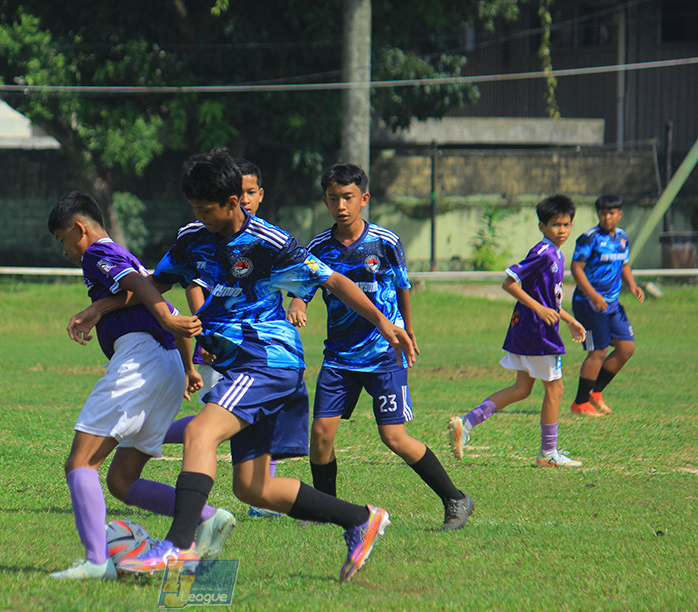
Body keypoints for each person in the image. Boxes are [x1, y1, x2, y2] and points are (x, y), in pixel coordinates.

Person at [111, 148, 416, 582]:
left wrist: (384, 322)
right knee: (254, 488)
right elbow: (154, 283)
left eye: (206, 209)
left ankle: (178, 547)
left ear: (233, 202)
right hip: (241, 365)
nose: (199, 217)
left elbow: (333, 280)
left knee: (200, 432)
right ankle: (360, 519)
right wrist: (98, 308)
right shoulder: (193, 237)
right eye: (194, 208)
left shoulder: (270, 242)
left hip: (267, 360)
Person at [47, 191, 236, 581]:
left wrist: (164, 318)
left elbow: (142, 289)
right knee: (122, 480)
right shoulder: (124, 256)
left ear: (79, 229)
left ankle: (96, 562)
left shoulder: (98, 252)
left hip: (140, 361)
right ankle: (207, 517)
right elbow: (149, 292)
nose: (64, 251)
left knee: (81, 462)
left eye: (63, 240)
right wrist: (187, 366)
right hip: (167, 364)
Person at [287, 163, 473, 530]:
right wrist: (297, 304)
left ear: (364, 199)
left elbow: (402, 287)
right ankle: (327, 509)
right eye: (334, 198)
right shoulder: (319, 247)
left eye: (348, 197)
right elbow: (303, 287)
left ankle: (456, 499)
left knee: (394, 437)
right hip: (339, 356)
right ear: (325, 201)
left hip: (383, 353)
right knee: (321, 436)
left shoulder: (385, 241)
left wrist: (408, 331)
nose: (341, 205)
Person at [162, 157, 281, 518]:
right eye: (239, 192)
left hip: (260, 350)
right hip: (218, 344)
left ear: (260, 195)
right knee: (218, 420)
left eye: (250, 192)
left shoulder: (267, 240)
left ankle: (259, 495)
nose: (245, 199)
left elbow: (305, 281)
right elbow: (191, 284)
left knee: (249, 417)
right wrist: (206, 332)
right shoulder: (202, 239)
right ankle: (153, 432)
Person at [448, 194, 587, 468]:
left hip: (529, 328)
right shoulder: (544, 252)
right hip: (538, 332)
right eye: (556, 224)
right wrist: (540, 310)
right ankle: (548, 453)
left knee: (522, 388)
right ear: (542, 226)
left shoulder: (556, 253)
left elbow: (549, 299)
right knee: (556, 389)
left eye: (566, 224)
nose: (562, 230)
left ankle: (465, 424)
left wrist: (569, 319)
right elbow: (510, 283)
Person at [569, 194, 644, 416]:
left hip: (612, 304)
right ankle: (580, 403)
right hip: (588, 304)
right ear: (598, 214)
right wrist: (593, 295)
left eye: (611, 213)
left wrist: (632, 285)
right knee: (598, 351)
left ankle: (596, 391)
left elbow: (624, 264)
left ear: (620, 214)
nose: (607, 217)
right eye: (603, 213)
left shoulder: (622, 237)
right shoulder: (589, 238)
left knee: (626, 348)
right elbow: (576, 268)